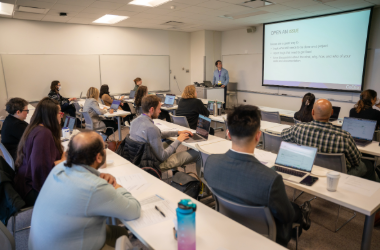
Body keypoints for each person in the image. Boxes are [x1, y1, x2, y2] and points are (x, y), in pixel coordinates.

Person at [204, 105, 311, 247]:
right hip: (264, 237)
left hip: (226, 224)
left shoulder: (211, 162)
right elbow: (287, 217)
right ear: (258, 136)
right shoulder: (270, 179)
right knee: (293, 210)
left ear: (228, 134)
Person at [28, 131, 141, 250]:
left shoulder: (59, 168)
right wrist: (117, 186)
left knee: (119, 232)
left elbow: (83, 176)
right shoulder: (95, 188)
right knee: (120, 236)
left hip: (43, 244)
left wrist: (99, 175)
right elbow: (135, 210)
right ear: (98, 157)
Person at [282, 99, 376, 181]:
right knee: (368, 165)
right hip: (337, 175)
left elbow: (283, 135)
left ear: (312, 112)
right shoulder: (344, 136)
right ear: (331, 113)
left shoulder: (298, 128)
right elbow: (356, 161)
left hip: (307, 168)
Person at [14, 98, 66, 207]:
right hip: (33, 189)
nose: (61, 115)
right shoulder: (44, 134)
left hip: (25, 183)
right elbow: (41, 169)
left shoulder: (36, 128)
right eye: (59, 113)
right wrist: (63, 161)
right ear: (51, 115)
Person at [129, 95, 201, 172]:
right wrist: (178, 141)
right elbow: (162, 157)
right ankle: (198, 183)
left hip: (139, 159)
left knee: (171, 142)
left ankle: (175, 173)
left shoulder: (134, 122)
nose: (160, 111)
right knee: (198, 153)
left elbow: (158, 134)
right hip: (152, 165)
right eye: (159, 109)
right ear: (152, 109)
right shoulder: (151, 128)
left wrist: (178, 132)